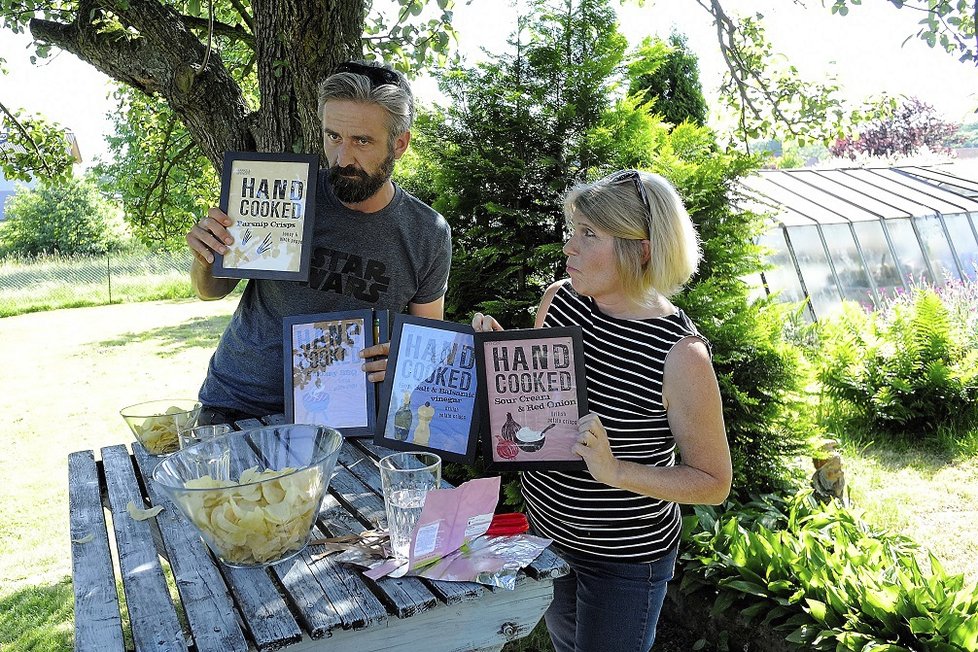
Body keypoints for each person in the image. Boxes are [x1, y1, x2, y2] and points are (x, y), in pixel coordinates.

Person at [472, 169, 731, 652]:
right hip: (547, 532)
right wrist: (504, 363)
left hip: (625, 560)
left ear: (642, 249)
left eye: (589, 234)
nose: (569, 247)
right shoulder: (559, 301)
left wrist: (615, 471)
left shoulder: (680, 354)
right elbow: (538, 414)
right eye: (574, 230)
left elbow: (714, 482)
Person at [186, 60, 452, 424]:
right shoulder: (283, 193)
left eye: (362, 141)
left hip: (351, 416)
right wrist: (207, 255)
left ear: (399, 144)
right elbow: (211, 291)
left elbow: (428, 344)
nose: (343, 158)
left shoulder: (427, 232)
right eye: (333, 137)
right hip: (241, 404)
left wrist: (404, 360)